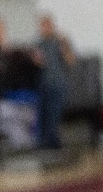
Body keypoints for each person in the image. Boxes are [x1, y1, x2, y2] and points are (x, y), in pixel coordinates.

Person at [31, 13, 76, 151]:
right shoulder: (38, 44)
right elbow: (36, 63)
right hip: (44, 85)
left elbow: (71, 61)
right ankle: (45, 143)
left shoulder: (60, 42)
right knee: (44, 116)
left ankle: (53, 144)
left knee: (54, 115)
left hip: (57, 85)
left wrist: (65, 47)